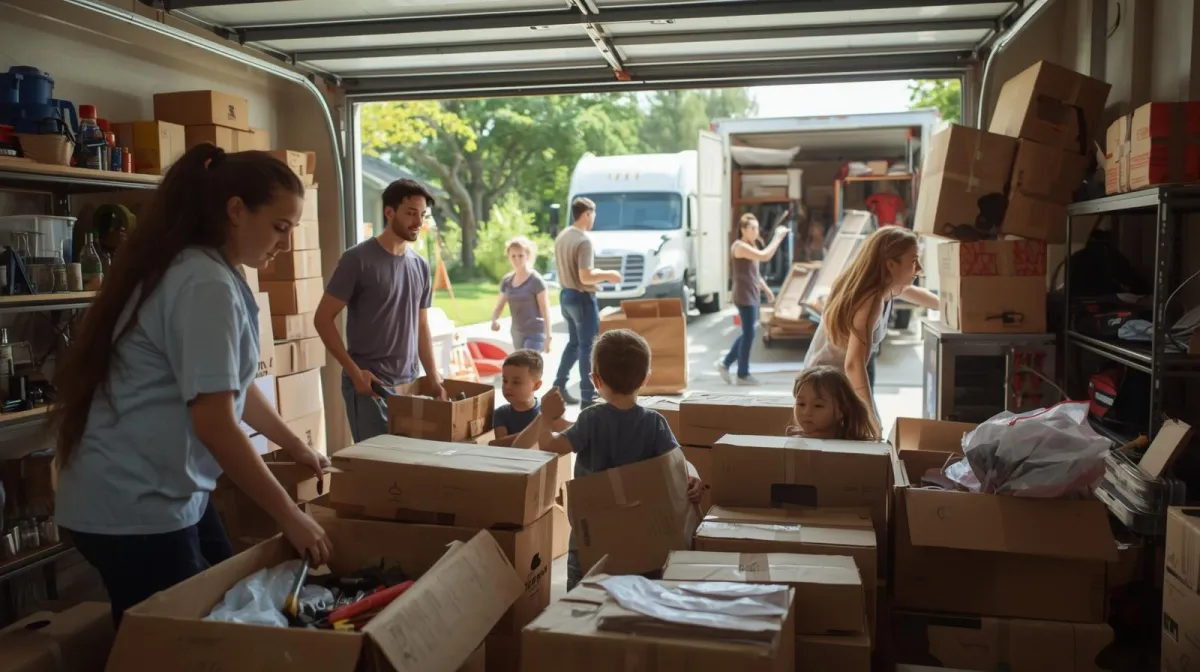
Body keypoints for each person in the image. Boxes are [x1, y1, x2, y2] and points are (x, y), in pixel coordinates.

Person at [51, 145, 332, 626]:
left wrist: (295, 446)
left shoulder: (204, 269)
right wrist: (290, 515)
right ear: (236, 210)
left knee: (224, 606)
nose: (284, 243)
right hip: (133, 503)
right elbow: (216, 424)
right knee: (181, 641)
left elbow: (232, 389)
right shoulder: (204, 284)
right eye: (279, 227)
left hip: (164, 493)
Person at [536, 329, 703, 590]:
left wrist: (545, 417)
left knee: (583, 602)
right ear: (645, 379)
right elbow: (677, 462)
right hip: (644, 539)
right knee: (641, 598)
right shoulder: (653, 422)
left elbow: (550, 446)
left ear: (595, 379)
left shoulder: (591, 419)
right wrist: (694, 476)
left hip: (592, 537)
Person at [315, 178, 448, 444]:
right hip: (370, 385)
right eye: (410, 213)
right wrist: (355, 373)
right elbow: (322, 319)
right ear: (389, 212)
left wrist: (432, 375)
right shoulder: (357, 259)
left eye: (422, 215)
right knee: (376, 472)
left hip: (409, 384)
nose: (418, 222)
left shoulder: (420, 266)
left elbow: (421, 325)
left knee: (406, 470)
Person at [803, 227, 938, 434]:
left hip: (834, 383)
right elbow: (853, 364)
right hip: (824, 389)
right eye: (913, 261)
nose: (919, 268)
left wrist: (953, 307)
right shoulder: (870, 302)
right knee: (865, 437)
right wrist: (870, 416)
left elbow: (912, 292)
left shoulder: (887, 288)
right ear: (891, 265)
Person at [553, 197, 621, 408]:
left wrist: (592, 284)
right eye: (593, 215)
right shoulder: (583, 241)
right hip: (582, 298)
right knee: (587, 348)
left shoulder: (562, 236)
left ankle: (559, 387)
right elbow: (585, 276)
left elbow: (573, 274)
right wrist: (609, 275)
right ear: (587, 214)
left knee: (574, 344)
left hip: (566, 296)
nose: (593, 220)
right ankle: (587, 396)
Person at [717, 213, 789, 386]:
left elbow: (754, 273)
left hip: (752, 294)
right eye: (753, 228)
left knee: (748, 333)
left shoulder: (750, 245)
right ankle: (742, 373)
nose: (756, 231)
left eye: (757, 227)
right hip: (743, 295)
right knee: (749, 334)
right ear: (743, 229)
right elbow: (765, 256)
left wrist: (765, 289)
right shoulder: (739, 247)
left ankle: (726, 363)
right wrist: (778, 238)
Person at [490, 237, 552, 353]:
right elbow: (499, 307)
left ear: (527, 256)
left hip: (535, 333)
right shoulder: (507, 281)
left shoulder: (536, 281)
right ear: (508, 257)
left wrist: (549, 336)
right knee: (523, 369)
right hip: (517, 333)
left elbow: (545, 310)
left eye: (520, 256)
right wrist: (494, 320)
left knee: (527, 365)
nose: (516, 259)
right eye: (513, 256)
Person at [787, 366, 880, 441]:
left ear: (842, 409)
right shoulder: (793, 437)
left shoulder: (853, 445)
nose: (806, 412)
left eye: (818, 406)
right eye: (801, 404)